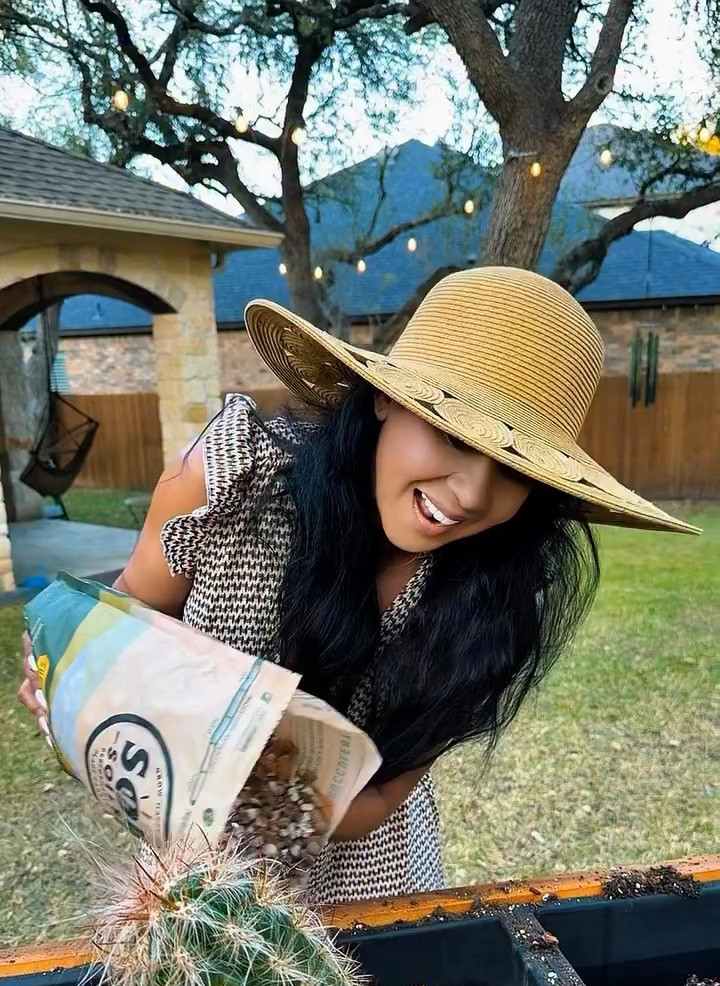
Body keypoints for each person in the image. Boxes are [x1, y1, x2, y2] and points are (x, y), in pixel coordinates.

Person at [19, 267, 697, 904]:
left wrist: (255, 769)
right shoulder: (227, 481)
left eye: (516, 470)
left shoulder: (494, 604)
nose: (469, 494)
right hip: (197, 888)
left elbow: (377, 803)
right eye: (453, 436)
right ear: (383, 398)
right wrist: (72, 676)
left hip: (378, 882)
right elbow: (124, 624)